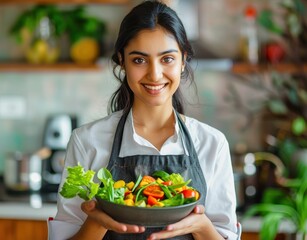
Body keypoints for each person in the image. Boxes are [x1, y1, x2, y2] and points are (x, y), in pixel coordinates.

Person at [48, 1, 240, 239]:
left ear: (183, 61)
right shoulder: (86, 140)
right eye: (139, 60)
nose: (155, 74)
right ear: (122, 61)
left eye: (167, 59)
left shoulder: (212, 143)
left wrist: (201, 226)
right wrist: (97, 221)